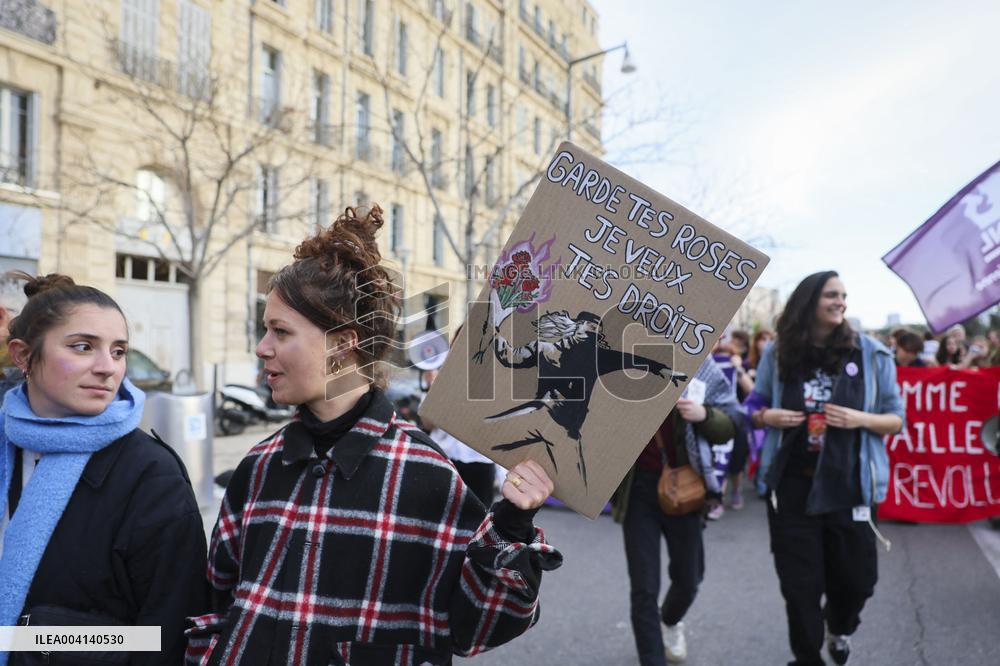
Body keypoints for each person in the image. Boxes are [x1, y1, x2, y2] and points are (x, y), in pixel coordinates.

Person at [186, 206, 562, 665]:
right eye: (266, 330)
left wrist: (511, 525)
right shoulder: (259, 466)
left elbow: (477, 628)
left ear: (343, 343)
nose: (262, 348)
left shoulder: (428, 475)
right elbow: (215, 602)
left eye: (280, 332)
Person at [0, 272, 208, 665]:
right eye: (83, 347)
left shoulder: (152, 475)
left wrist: (38, 638)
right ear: (23, 355)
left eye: (118, 351)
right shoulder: (6, 448)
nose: (107, 367)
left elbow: (167, 636)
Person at [752, 271, 904, 666]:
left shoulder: (871, 354)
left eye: (843, 295)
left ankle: (840, 626)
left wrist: (859, 419)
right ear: (808, 301)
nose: (841, 302)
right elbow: (754, 405)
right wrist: (767, 416)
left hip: (849, 485)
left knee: (858, 582)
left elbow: (896, 419)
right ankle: (807, 658)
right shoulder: (779, 351)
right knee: (800, 587)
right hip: (792, 486)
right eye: (831, 295)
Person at [612, 358, 739, 665]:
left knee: (689, 578)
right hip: (638, 490)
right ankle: (652, 658)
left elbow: (731, 424)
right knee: (644, 587)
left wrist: (704, 415)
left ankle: (669, 620)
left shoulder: (701, 365)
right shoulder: (621, 361)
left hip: (685, 485)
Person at [423, 324, 498, 507]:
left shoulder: (494, 379)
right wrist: (435, 392)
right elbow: (427, 423)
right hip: (443, 458)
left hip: (479, 462)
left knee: (478, 518)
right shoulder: (438, 374)